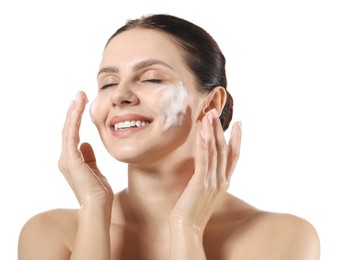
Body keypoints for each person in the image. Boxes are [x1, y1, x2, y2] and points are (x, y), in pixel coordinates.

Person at [18, 14, 320, 259]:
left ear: (212, 104)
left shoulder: (281, 237)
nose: (119, 96)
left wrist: (186, 227)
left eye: (151, 78)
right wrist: (94, 209)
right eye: (108, 83)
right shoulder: (50, 233)